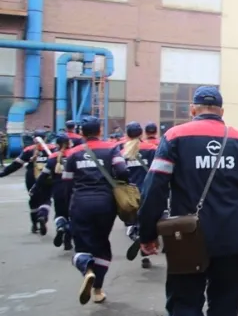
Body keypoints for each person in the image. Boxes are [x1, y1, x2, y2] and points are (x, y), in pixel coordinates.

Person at [137, 86, 238, 316]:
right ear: (221, 112)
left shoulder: (175, 136)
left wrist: (147, 234)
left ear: (192, 110)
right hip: (231, 239)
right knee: (225, 309)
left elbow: (153, 190)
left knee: (182, 307)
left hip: (187, 241)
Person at [63, 116, 129, 305]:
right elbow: (123, 171)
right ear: (100, 130)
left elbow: (66, 184)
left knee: (82, 246)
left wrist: (67, 208)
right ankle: (98, 289)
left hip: (80, 204)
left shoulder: (73, 152)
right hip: (105, 203)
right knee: (101, 244)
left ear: (81, 133)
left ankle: (87, 269)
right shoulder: (111, 148)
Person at [116, 122, 159, 268]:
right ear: (141, 134)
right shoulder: (152, 149)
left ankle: (134, 232)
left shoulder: (121, 151)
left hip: (129, 194)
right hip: (148, 191)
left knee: (133, 220)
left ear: (127, 134)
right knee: (149, 220)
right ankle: (145, 245)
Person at [0, 128, 55, 233]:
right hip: (47, 177)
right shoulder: (52, 149)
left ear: (33, 138)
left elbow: (16, 165)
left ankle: (34, 224)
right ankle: (43, 215)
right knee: (46, 199)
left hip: (31, 178)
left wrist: (2, 174)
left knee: (33, 200)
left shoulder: (28, 150)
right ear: (46, 138)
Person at [33, 133, 74, 248]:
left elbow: (43, 176)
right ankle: (68, 241)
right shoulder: (75, 154)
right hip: (73, 190)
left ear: (57, 144)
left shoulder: (53, 157)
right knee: (73, 216)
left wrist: (35, 188)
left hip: (58, 190)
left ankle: (60, 227)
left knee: (60, 214)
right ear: (69, 143)